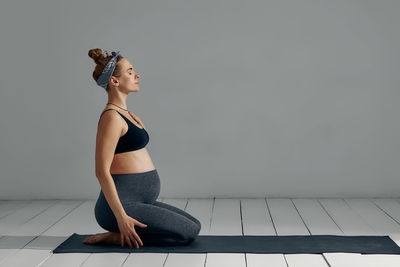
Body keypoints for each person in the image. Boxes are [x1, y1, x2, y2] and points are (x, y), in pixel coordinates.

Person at [83, 48, 201, 248]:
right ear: (114, 81)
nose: (137, 75)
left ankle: (120, 232)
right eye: (130, 72)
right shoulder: (111, 117)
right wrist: (121, 217)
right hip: (121, 207)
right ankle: (115, 235)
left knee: (194, 225)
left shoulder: (124, 114)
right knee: (188, 233)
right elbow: (101, 172)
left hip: (142, 201)